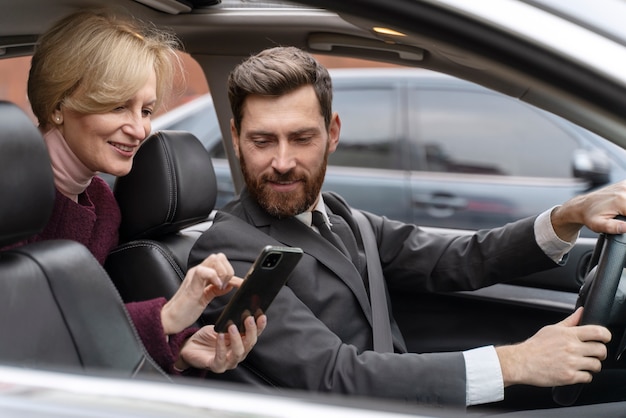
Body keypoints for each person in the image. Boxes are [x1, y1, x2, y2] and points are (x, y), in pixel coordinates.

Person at [188, 46, 620, 407]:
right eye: (263, 141)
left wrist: (568, 216)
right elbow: (332, 374)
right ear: (237, 136)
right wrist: (516, 364)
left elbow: (458, 260)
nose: (282, 162)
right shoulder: (227, 251)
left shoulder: (341, 215)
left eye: (302, 139)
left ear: (332, 133)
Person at [1, 9, 266, 377]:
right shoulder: (10, 202)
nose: (140, 129)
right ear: (60, 105)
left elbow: (94, 326)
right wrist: (167, 317)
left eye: (145, 109)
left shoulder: (102, 205)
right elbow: (28, 337)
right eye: (117, 106)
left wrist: (181, 349)